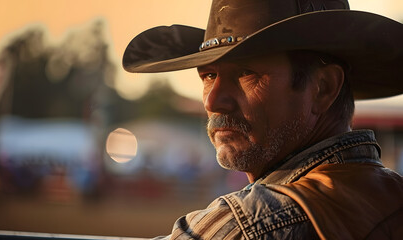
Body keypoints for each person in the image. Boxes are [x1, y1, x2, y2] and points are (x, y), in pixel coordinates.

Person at [123, 0, 403, 239]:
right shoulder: (391, 198)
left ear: (323, 88)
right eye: (208, 76)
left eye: (246, 72)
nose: (211, 101)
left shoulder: (250, 224)